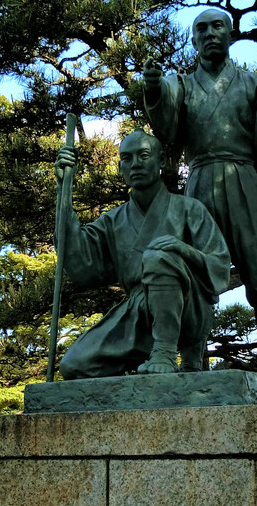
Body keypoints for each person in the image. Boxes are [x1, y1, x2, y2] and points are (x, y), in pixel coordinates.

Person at [143, 7, 257, 376]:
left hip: (246, 182)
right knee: (195, 273)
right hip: (199, 185)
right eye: (201, 29)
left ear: (230, 35)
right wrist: (153, 89)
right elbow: (167, 125)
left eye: (217, 27)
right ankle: (193, 360)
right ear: (193, 40)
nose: (210, 33)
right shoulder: (183, 85)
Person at [53, 129, 230, 379]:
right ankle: (136, 387)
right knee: (74, 366)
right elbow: (80, 259)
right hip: (138, 313)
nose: (135, 164)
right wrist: (64, 190)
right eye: (127, 158)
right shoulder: (113, 221)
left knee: (158, 256)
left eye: (144, 155)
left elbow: (220, 264)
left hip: (189, 308)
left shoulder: (189, 208)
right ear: (121, 166)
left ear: (161, 161)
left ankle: (165, 353)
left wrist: (182, 250)